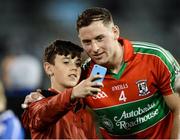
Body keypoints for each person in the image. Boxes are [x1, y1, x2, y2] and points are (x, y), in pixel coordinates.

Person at [22, 7, 180, 139]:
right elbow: (56, 103)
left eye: (100, 38)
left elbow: (178, 108)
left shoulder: (155, 58)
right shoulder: (85, 74)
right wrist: (39, 98)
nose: (95, 48)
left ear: (115, 32)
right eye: (87, 42)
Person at [21, 39, 102, 139]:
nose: (74, 68)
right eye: (66, 62)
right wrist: (72, 93)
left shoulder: (85, 113)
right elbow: (40, 116)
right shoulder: (36, 103)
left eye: (77, 63)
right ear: (48, 68)